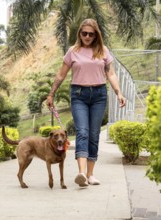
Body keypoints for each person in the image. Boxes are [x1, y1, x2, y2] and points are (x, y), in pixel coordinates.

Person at [46, 18, 126, 187]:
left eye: (91, 34)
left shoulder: (103, 50)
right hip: (79, 95)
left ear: (96, 35)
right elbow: (61, 75)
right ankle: (81, 173)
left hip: (99, 95)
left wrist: (119, 93)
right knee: (82, 131)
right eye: (84, 33)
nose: (87, 36)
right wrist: (51, 94)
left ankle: (90, 174)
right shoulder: (72, 51)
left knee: (94, 134)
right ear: (79, 34)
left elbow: (111, 74)